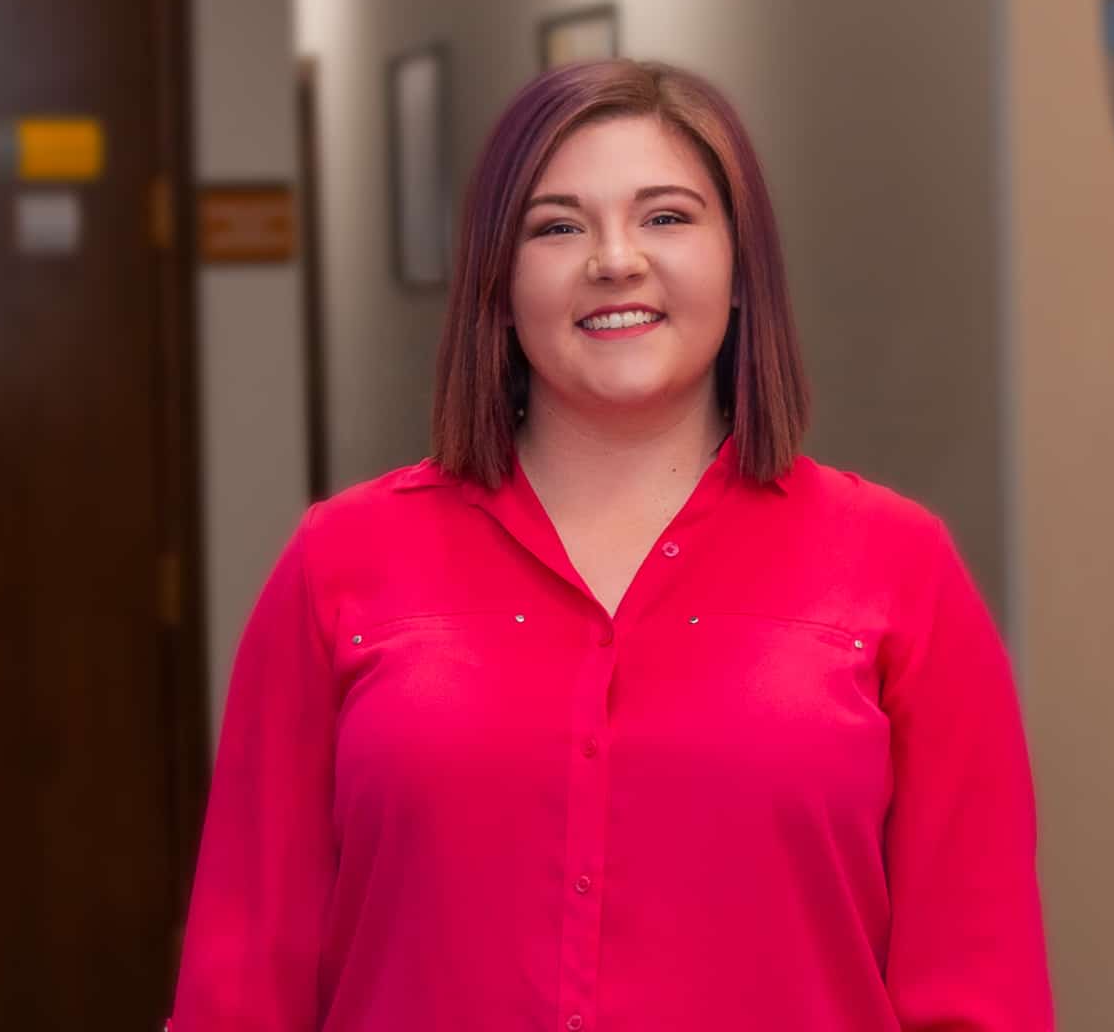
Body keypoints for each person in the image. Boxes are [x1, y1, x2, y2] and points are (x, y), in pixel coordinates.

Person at [167, 60, 1054, 1030]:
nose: (615, 259)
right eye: (557, 226)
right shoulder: (340, 565)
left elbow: (979, 990)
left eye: (666, 217)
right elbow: (242, 983)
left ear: (740, 267)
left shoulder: (898, 572)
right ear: (497, 289)